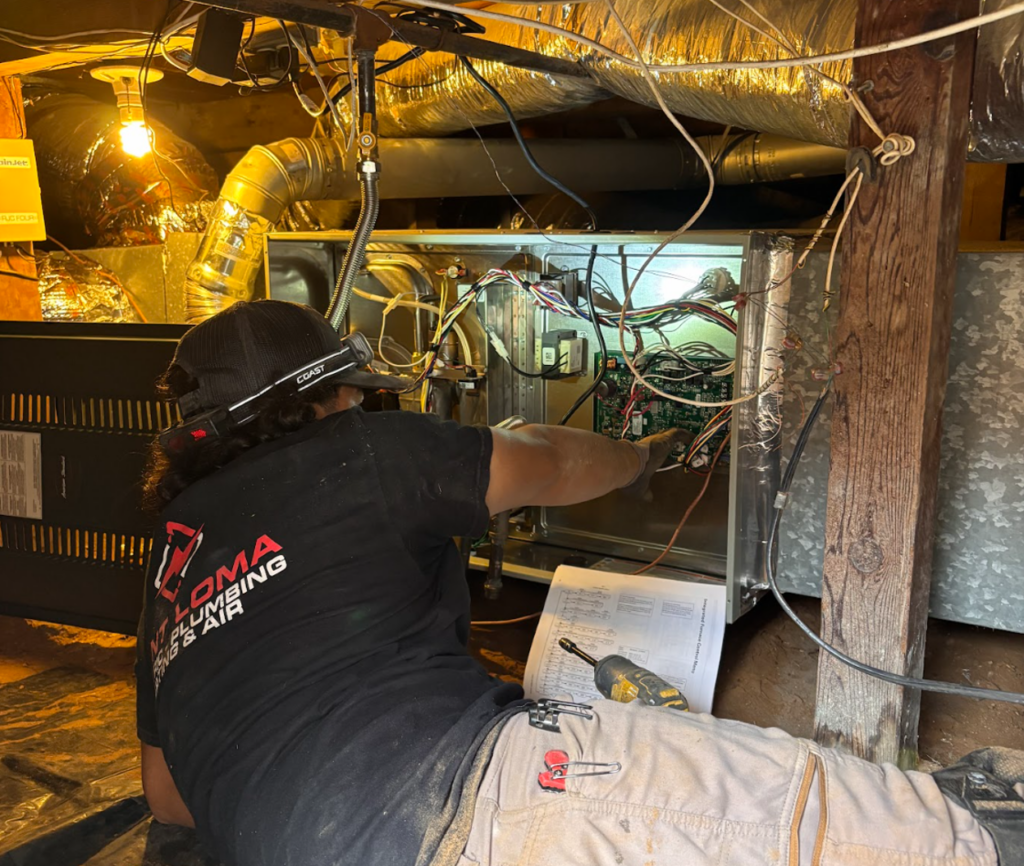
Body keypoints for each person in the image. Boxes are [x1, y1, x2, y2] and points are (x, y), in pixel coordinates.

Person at [137, 299, 1021, 866]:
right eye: (352, 395)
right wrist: (639, 458)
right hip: (454, 798)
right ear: (324, 398)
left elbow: (168, 798)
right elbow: (549, 460)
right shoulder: (358, 452)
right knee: (862, 818)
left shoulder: (174, 561)